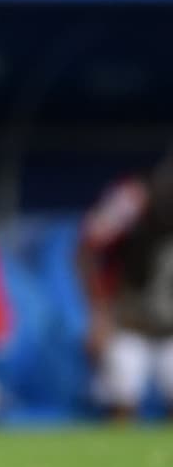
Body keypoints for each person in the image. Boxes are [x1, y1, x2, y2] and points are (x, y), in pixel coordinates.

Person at [79, 153, 173, 419]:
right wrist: (99, 314)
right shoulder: (133, 199)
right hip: (129, 326)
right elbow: (87, 249)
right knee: (122, 402)